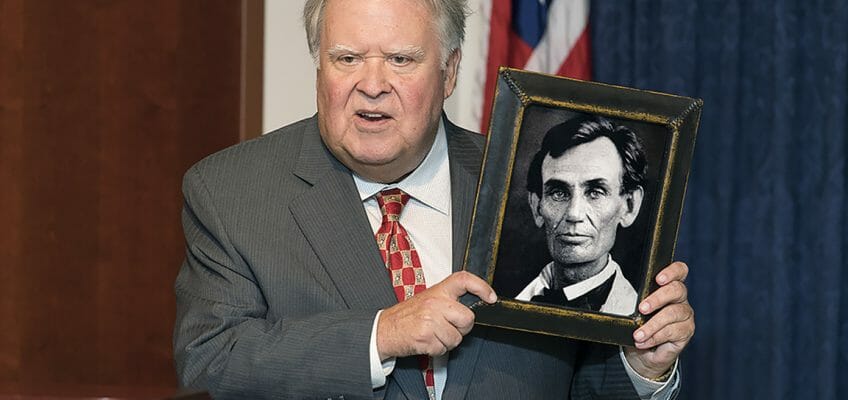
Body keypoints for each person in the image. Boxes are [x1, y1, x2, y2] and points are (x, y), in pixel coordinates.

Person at [173, 0, 695, 399]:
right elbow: (210, 357)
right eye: (347, 58)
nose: (371, 84)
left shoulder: (524, 189)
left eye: (401, 59)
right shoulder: (232, 193)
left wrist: (643, 366)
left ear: (449, 72)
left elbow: (578, 382)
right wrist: (381, 335)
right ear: (319, 66)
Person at [515, 115, 646, 316]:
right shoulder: (498, 303)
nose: (574, 214)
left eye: (595, 192)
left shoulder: (647, 319)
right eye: (558, 193)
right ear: (536, 206)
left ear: (629, 206)